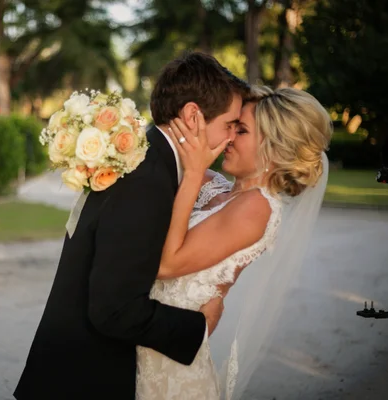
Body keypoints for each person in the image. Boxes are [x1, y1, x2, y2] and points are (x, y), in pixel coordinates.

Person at [14, 52, 248, 400]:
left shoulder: (147, 158)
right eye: (229, 124)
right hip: (84, 379)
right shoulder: (148, 179)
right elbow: (113, 309)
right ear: (193, 116)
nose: (232, 136)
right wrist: (198, 327)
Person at [135, 86, 332, 400]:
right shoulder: (218, 189)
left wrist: (195, 171)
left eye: (240, 130)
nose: (228, 137)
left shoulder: (258, 207)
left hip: (169, 360)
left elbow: (167, 265)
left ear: (273, 147)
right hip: (148, 336)